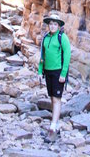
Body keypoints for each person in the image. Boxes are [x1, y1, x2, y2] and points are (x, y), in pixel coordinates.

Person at [38, 12, 71, 142]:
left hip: (58, 72)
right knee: (52, 99)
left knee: (57, 99)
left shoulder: (62, 38)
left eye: (55, 24)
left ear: (59, 26)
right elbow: (42, 56)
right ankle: (55, 125)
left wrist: (63, 74)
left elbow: (67, 55)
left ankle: (52, 129)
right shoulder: (46, 38)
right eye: (50, 24)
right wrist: (40, 71)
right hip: (48, 71)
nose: (52, 26)